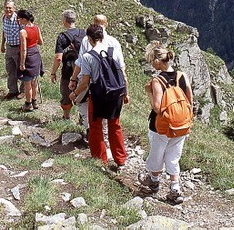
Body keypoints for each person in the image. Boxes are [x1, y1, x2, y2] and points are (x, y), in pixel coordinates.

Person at [138, 41, 193, 204]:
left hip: (161, 126)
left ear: (157, 61)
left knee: (157, 153)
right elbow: (190, 99)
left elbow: (156, 108)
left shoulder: (157, 81)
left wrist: (149, 92)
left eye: (151, 61)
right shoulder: (182, 76)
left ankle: (153, 182)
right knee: (173, 157)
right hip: (182, 124)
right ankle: (175, 189)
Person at [70, 24, 128, 168]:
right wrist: (125, 92)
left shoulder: (87, 57)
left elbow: (84, 82)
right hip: (115, 93)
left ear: (89, 39)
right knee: (115, 126)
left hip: (98, 94)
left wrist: (75, 94)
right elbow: (122, 73)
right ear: (102, 36)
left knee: (95, 127)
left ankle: (100, 159)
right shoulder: (113, 51)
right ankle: (120, 160)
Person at [70, 14, 128, 129]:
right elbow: (121, 68)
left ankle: (89, 130)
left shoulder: (87, 40)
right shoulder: (114, 42)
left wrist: (73, 78)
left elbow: (80, 62)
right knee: (108, 112)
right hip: (111, 83)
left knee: (84, 105)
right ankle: (104, 134)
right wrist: (125, 90)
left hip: (90, 81)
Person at [50, 9, 85, 119]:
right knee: (83, 94)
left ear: (64, 21)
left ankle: (66, 117)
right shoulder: (83, 33)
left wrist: (53, 72)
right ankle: (83, 118)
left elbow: (58, 58)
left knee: (66, 93)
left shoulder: (62, 36)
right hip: (83, 70)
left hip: (68, 70)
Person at [17, 9, 44, 111]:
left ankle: (28, 104)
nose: (19, 20)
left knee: (27, 83)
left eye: (20, 19)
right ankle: (34, 101)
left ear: (24, 19)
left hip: (28, 57)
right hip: (36, 55)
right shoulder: (36, 27)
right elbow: (41, 42)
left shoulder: (23, 31)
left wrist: (22, 64)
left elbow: (24, 50)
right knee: (35, 82)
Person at [0, 0, 22, 99]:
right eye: (6, 7)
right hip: (9, 47)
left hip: (18, 48)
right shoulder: (4, 18)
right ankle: (12, 91)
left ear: (14, 8)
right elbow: (4, 32)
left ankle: (23, 91)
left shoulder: (19, 19)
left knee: (21, 70)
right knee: (10, 70)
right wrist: (2, 44)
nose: (8, 9)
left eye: (10, 8)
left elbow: (24, 34)